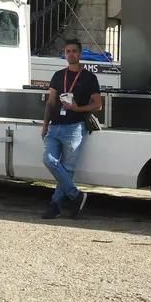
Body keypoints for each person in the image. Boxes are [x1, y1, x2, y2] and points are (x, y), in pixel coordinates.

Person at [40, 39, 102, 220]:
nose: (71, 54)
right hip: (55, 126)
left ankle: (55, 205)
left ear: (80, 54)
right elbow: (51, 102)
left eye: (74, 51)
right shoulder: (58, 76)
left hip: (75, 128)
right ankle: (76, 196)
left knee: (67, 168)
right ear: (64, 54)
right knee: (49, 160)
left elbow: (97, 105)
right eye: (68, 51)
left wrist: (76, 109)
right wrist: (45, 125)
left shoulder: (89, 78)